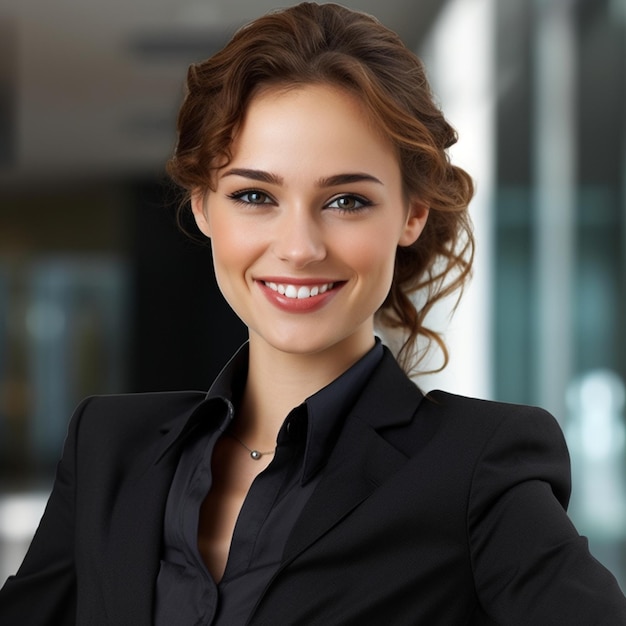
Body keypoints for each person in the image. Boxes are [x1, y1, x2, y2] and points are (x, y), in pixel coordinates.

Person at [1, 2, 625, 624]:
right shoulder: (108, 446)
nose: (300, 248)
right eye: (254, 196)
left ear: (412, 214)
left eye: (347, 200)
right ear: (202, 206)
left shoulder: (475, 468)